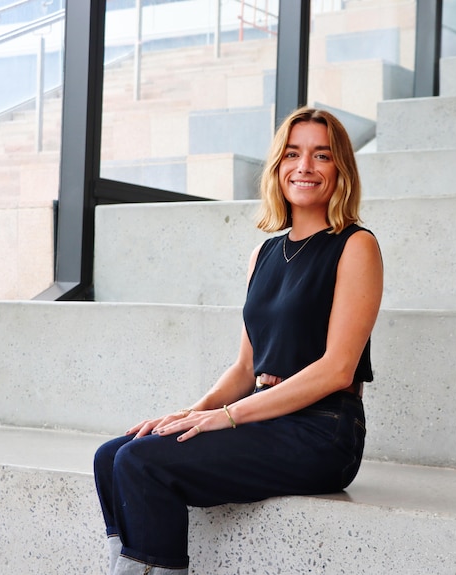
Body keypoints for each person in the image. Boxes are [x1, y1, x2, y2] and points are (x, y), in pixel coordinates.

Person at [93, 107, 384, 575]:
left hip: (323, 431)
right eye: (293, 153)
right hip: (266, 415)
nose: (304, 167)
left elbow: (337, 369)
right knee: (112, 455)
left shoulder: (355, 245)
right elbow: (246, 367)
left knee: (143, 464)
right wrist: (194, 412)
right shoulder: (264, 253)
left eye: (321, 155)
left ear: (341, 169)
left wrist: (225, 418)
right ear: (277, 166)